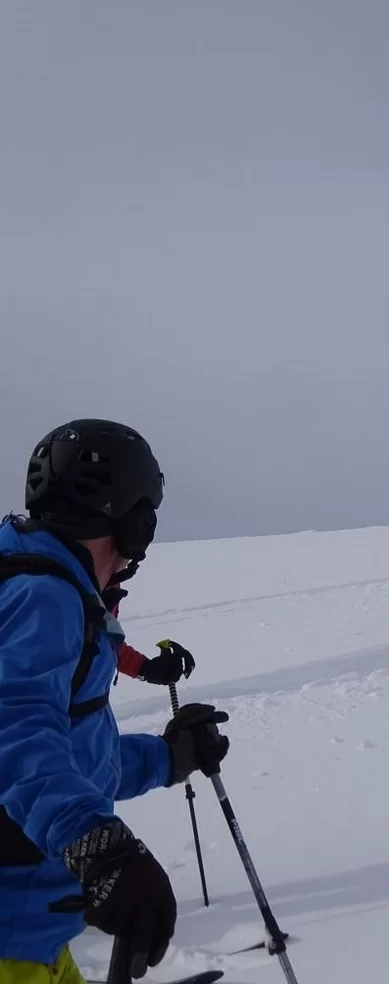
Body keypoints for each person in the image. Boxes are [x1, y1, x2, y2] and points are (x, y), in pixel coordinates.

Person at [0, 420, 230, 984]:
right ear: (134, 523)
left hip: (33, 929)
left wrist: (168, 757)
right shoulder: (44, 596)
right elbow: (14, 733)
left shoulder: (47, 586)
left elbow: (70, 756)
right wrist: (99, 849)